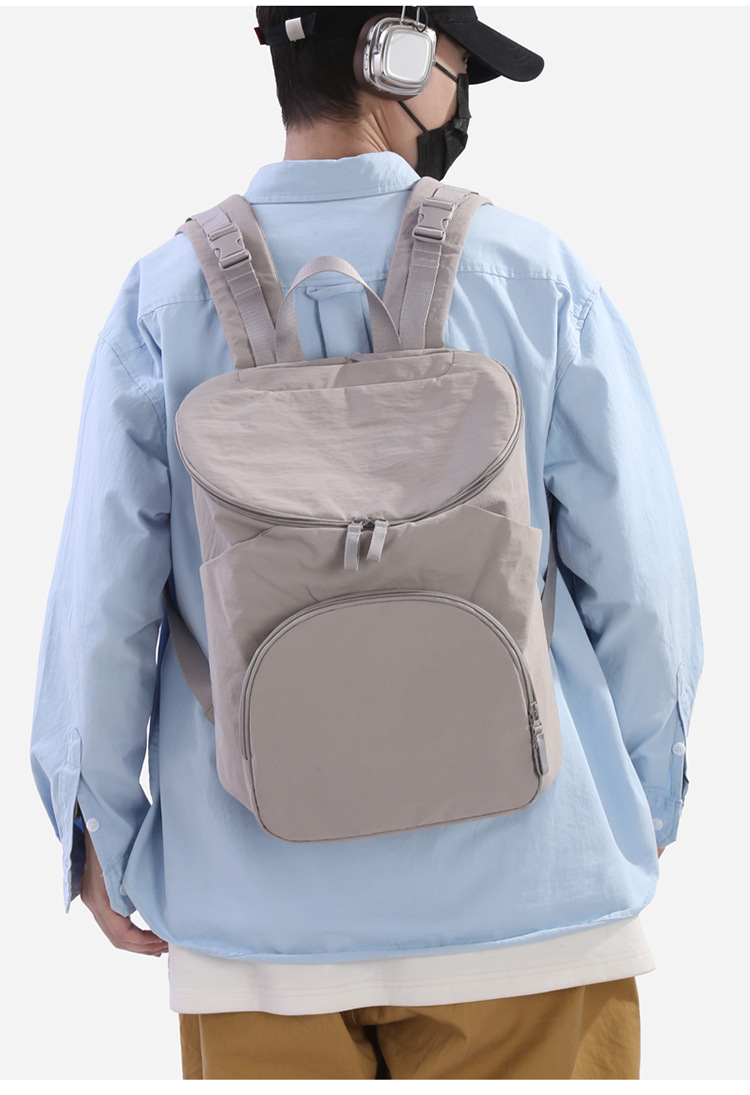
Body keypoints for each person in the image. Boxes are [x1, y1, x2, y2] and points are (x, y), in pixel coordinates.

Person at [30, 5, 703, 1081]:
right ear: (399, 57)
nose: (460, 99)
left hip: (255, 926)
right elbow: (640, 580)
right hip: (533, 905)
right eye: (458, 68)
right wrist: (645, 794)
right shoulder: (532, 273)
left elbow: (102, 602)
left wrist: (98, 828)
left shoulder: (162, 297)